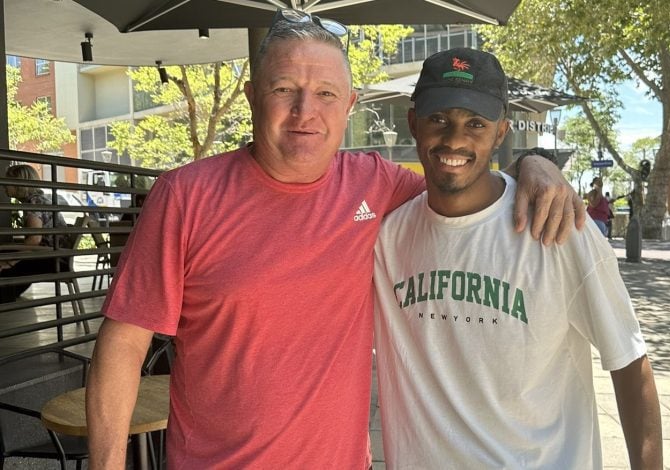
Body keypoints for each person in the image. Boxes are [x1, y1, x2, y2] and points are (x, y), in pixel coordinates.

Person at [85, 10, 585, 469]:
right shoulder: (186, 196)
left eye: (326, 93)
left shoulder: (375, 184)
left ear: (348, 105)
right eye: (284, 89)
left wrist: (533, 165)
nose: (306, 111)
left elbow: (461, 183)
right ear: (253, 96)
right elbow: (123, 346)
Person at [373, 48, 662, 469]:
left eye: (475, 123)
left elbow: (630, 362)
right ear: (413, 122)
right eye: (439, 119)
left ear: (501, 132)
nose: (455, 139)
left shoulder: (560, 228)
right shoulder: (385, 239)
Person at [0, 164, 69, 302]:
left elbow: (34, 240)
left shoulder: (33, 202)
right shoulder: (38, 199)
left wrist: (10, 261)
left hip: (53, 258)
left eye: (7, 182)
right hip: (56, 255)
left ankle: (6, 300)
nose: (4, 186)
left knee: (6, 267)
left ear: (19, 183)